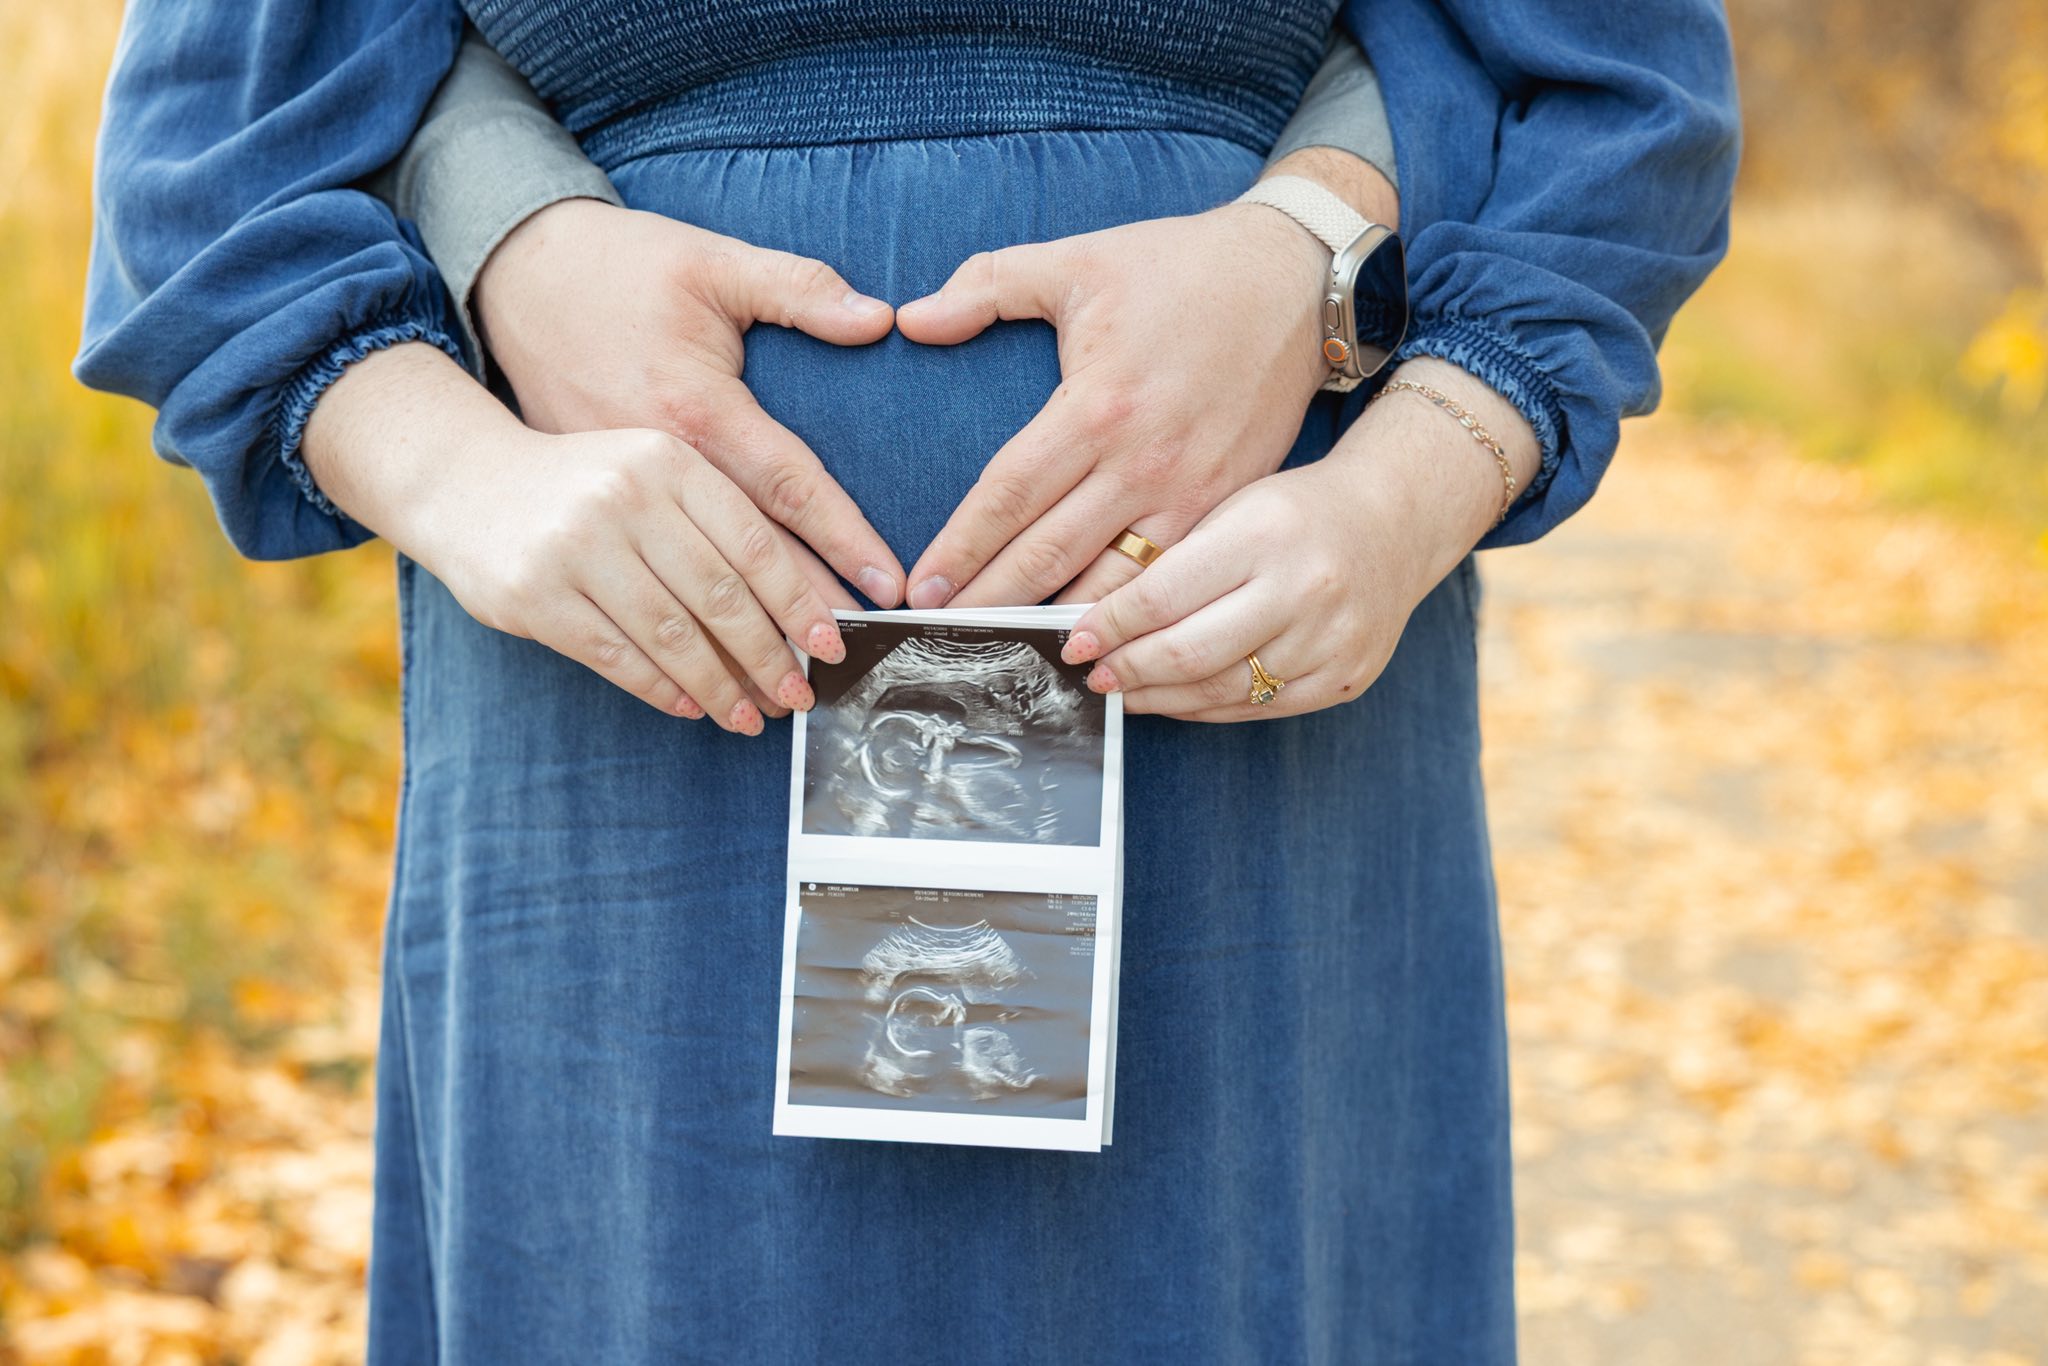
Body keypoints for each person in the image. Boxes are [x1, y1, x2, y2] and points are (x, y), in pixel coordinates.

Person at [75, 3, 1738, 1360]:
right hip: (631, 750)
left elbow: (1619, 88)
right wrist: (461, 474)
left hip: (1252, 741)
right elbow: (207, 153)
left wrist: (1399, 483)